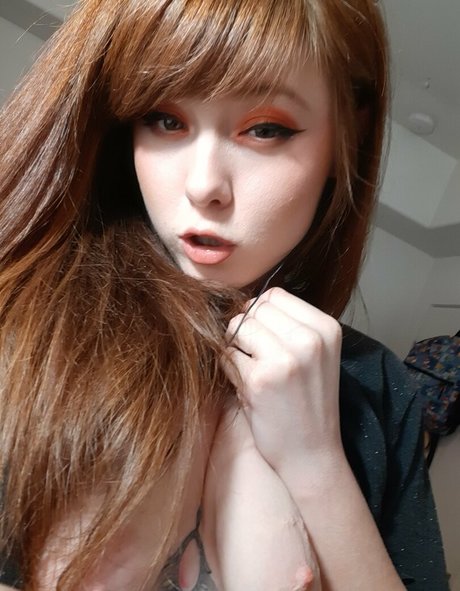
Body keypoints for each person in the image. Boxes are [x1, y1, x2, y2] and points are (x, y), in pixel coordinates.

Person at [0, 0, 449, 589]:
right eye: (165, 120)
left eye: (265, 129)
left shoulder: (377, 386)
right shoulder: (26, 318)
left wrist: (316, 463)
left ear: (348, 132)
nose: (204, 185)